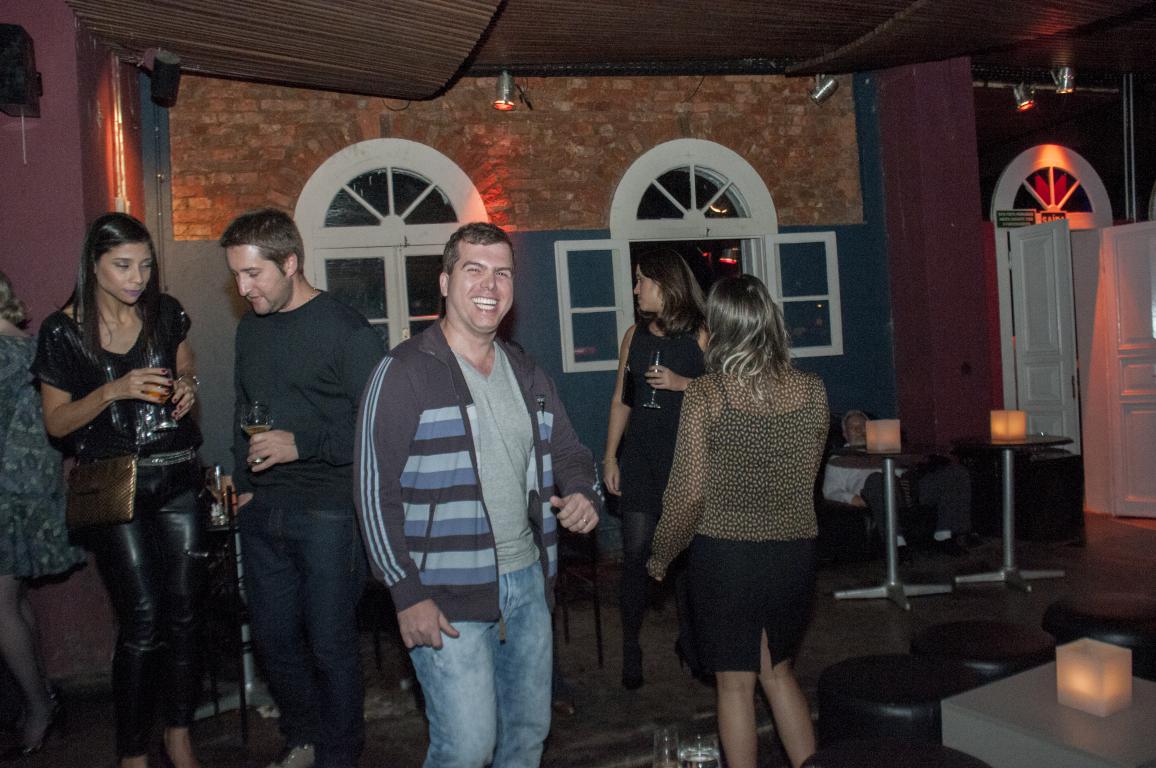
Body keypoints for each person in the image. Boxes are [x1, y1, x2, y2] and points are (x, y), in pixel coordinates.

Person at [355, 222, 599, 767]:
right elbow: (373, 493)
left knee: (526, 738)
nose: (490, 285)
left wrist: (583, 491)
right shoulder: (403, 372)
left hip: (527, 585)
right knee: (466, 748)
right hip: (443, 595)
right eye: (474, 270)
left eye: (502, 273)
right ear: (445, 282)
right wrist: (406, 593)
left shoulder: (526, 371)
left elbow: (570, 451)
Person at [33, 214, 205, 768]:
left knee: (186, 613)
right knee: (144, 617)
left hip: (178, 474)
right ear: (94, 265)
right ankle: (132, 753)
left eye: (146, 265)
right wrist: (113, 390)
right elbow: (57, 423)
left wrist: (187, 387)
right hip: (113, 484)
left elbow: (187, 366)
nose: (138, 278)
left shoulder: (164, 313)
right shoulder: (62, 331)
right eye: (124, 266)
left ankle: (178, 735)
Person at [221, 208, 384, 768]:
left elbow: (379, 425)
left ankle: (340, 753)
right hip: (264, 507)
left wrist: (303, 443)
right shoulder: (250, 328)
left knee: (330, 643)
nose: (243, 289)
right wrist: (242, 480)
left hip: (329, 512)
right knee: (273, 639)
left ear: (290, 263)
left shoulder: (347, 331)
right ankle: (304, 737)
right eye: (236, 276)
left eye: (253, 274)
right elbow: (243, 408)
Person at [648, 275, 827, 768]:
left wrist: (661, 556)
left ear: (720, 330)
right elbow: (807, 476)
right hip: (793, 553)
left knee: (734, 684)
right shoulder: (812, 391)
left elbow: (687, 493)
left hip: (728, 557)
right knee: (779, 674)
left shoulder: (708, 394)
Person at [602, 250, 707, 689]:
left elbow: (726, 393)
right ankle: (631, 647)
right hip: (641, 459)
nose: (635, 289)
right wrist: (610, 456)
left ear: (664, 285)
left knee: (689, 560)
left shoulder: (701, 334)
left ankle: (694, 643)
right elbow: (621, 399)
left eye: (641, 280)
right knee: (635, 557)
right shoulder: (635, 336)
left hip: (686, 462)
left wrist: (683, 384)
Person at [0, 271, 85, 758]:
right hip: (30, 494)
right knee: (14, 601)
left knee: (3, 606)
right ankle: (44, 697)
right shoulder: (31, 347)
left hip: (7, 497)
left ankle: (37, 708)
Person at [822, 409, 972, 554]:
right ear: (845, 434)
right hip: (876, 493)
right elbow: (830, 490)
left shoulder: (884, 446)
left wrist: (912, 463)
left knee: (955, 473)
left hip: (905, 489)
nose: (859, 430)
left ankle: (945, 536)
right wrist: (852, 498)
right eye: (853, 427)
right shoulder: (838, 458)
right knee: (876, 479)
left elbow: (908, 467)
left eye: (863, 426)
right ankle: (897, 545)